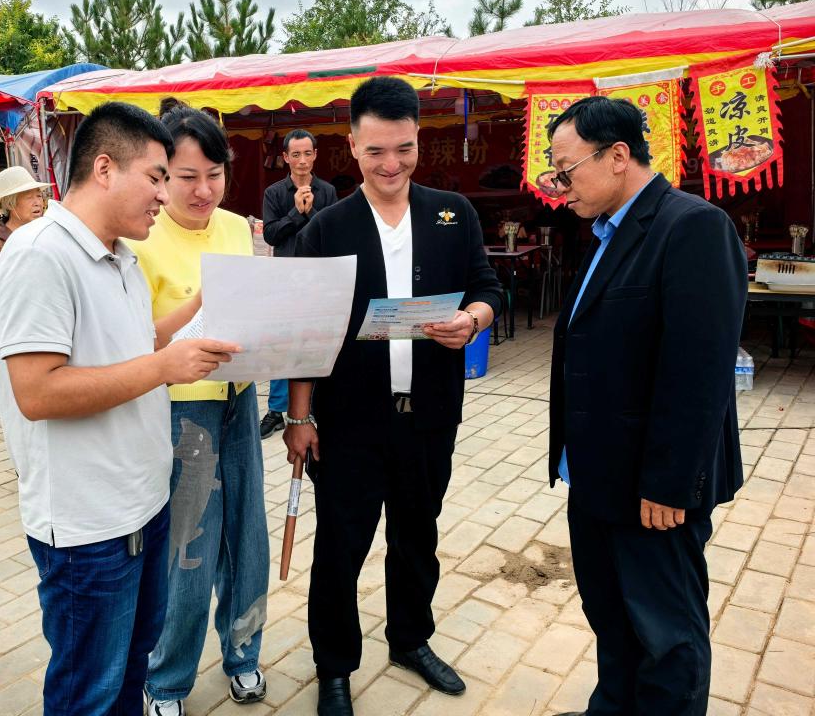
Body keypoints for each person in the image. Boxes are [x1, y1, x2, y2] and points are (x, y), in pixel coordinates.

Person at [0, 102, 241, 716]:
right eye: (156, 177)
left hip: (144, 508)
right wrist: (166, 367)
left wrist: (202, 308)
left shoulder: (120, 255)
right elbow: (38, 392)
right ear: (104, 168)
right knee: (89, 692)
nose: (165, 195)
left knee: (129, 675)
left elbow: (139, 344)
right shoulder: (40, 254)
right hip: (89, 529)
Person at [284, 77, 503, 716]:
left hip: (429, 414)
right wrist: (300, 417)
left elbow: (486, 285)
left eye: (404, 149)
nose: (391, 164)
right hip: (350, 422)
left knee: (417, 537)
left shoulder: (451, 213)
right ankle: (334, 666)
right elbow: (306, 333)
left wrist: (474, 320)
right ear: (352, 146)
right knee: (341, 547)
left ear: (418, 141)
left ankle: (410, 639)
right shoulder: (327, 229)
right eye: (376, 150)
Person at [545, 96, 747, 716]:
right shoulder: (608, 231)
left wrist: (669, 483)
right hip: (597, 473)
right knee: (610, 615)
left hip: (652, 490)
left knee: (666, 636)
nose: (559, 188)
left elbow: (699, 371)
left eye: (565, 170)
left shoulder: (691, 227)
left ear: (617, 156)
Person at [135, 101, 270, 716]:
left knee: (247, 538)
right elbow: (137, 340)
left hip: (239, 397)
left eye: (214, 175)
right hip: (181, 412)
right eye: (187, 177)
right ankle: (167, 680)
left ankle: (243, 654)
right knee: (188, 549)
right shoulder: (141, 237)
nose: (202, 190)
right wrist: (197, 308)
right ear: (162, 175)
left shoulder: (238, 228)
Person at [259, 130, 337, 439]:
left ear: (315, 155)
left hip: (319, 278)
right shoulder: (274, 193)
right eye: (295, 155)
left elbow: (331, 233)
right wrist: (295, 212)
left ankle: (312, 404)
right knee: (282, 343)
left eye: (307, 153)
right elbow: (270, 235)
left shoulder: (327, 191)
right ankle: (276, 409)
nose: (302, 160)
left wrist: (311, 211)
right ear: (285, 158)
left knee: (316, 340)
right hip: (286, 278)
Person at [0, 166, 50, 284]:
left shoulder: (46, 233)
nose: (37, 203)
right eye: (29, 197)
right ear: (10, 204)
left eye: (39, 196)